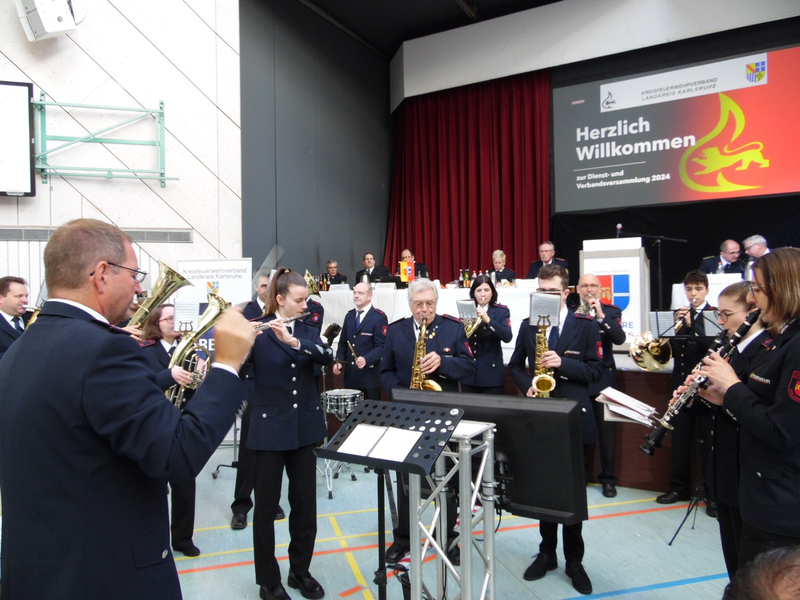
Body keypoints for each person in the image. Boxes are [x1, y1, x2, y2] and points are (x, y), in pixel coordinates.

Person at [0, 218, 254, 599]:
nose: (139, 287)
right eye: (135, 275)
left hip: (40, 571)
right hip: (106, 576)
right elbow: (178, 454)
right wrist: (227, 365)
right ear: (101, 274)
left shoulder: (20, 350)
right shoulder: (102, 349)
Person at [700, 248, 800, 569]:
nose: (753, 300)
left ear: (782, 288)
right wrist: (723, 396)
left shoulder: (795, 346)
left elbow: (781, 431)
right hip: (758, 494)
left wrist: (732, 387)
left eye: (757, 289)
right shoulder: (781, 340)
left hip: (780, 506)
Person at [508, 264, 601, 595]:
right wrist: (527, 387)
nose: (543, 297)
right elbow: (515, 366)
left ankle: (574, 560)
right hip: (541, 418)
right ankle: (547, 553)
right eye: (539, 291)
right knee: (544, 488)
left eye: (550, 292)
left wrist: (564, 364)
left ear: (565, 293)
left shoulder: (586, 325)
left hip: (573, 417)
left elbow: (595, 371)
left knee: (573, 491)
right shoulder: (527, 326)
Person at [247, 267, 333, 600]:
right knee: (266, 509)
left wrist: (294, 341)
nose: (304, 305)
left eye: (306, 299)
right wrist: (242, 343)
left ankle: (300, 571)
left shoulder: (309, 327)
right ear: (279, 300)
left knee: (304, 506)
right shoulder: (258, 331)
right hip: (270, 429)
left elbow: (326, 356)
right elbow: (237, 369)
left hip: (304, 429)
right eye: (298, 300)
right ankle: (269, 581)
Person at [380, 278, 476, 565]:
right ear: (410, 304)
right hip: (407, 415)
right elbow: (384, 372)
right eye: (419, 304)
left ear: (437, 303)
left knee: (446, 480)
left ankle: (447, 539)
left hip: (443, 417)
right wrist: (400, 393)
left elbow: (470, 367)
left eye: (430, 304)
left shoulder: (453, 328)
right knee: (407, 482)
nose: (425, 310)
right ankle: (404, 539)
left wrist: (444, 364)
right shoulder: (395, 331)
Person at [701, 281, 768, 579]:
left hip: (749, 475)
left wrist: (727, 391)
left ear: (752, 312)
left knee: (750, 572)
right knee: (733, 563)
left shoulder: (768, 352)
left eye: (727, 314)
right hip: (725, 472)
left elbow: (758, 413)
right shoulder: (730, 349)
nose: (720, 321)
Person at [138, 304, 203, 557]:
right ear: (157, 322)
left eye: (177, 318)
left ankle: (183, 538)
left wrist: (199, 375)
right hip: (154, 423)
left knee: (185, 483)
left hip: (182, 421)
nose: (175, 322)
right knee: (151, 485)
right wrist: (169, 375)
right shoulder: (143, 350)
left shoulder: (187, 350)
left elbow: (194, 388)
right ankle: (152, 537)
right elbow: (140, 385)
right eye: (169, 318)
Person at [656, 270, 718, 516]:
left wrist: (695, 324)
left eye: (698, 289)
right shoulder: (678, 315)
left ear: (706, 290)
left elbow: (714, 346)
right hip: (681, 387)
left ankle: (711, 495)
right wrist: (668, 330)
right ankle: (678, 487)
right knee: (679, 440)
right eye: (689, 289)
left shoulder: (713, 314)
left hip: (706, 389)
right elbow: (668, 350)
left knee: (707, 443)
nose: (693, 294)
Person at [231, 269, 286, 530]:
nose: (267, 289)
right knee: (250, 450)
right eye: (264, 285)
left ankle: (270, 500)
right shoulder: (247, 311)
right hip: (253, 386)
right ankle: (241, 506)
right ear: (257, 287)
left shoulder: (280, 312)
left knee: (273, 450)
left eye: (270, 285)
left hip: (275, 387)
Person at [578, 273, 626, 498]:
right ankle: (582, 474)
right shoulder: (573, 313)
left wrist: (600, 316)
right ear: (578, 289)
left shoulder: (612, 311)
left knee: (607, 434)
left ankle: (608, 479)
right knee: (581, 431)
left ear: (600, 289)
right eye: (585, 286)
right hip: (581, 379)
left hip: (604, 380)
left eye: (593, 286)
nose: (589, 290)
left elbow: (618, 338)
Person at [332, 282, 387, 400]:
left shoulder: (378, 317)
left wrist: (366, 359)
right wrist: (339, 362)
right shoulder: (350, 316)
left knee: (372, 415)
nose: (356, 296)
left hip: (369, 377)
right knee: (351, 416)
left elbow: (382, 347)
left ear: (369, 296)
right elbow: (343, 343)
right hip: (351, 377)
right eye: (355, 292)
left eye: (360, 293)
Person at [460, 275, 512, 394]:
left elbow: (507, 337)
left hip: (492, 375)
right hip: (469, 375)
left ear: (492, 292)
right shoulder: (467, 308)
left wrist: (488, 319)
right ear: (473, 293)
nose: (482, 294)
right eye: (478, 290)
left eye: (486, 290)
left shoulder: (501, 311)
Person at [0, 276, 30, 361]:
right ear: (1, 299)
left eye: (26, 296)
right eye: (19, 296)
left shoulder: (34, 317)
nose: (25, 300)